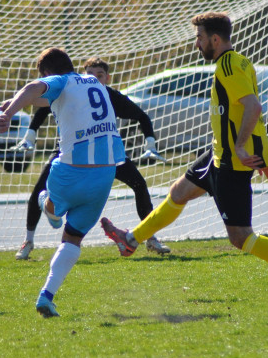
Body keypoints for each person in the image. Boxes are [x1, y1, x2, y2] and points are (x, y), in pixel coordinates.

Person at [100, 12, 268, 301]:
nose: (197, 43)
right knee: (179, 192)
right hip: (217, 154)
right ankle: (130, 240)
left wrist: (243, 148)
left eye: (199, 38)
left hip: (230, 162)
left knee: (240, 236)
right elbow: (251, 111)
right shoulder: (240, 61)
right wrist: (264, 156)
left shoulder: (228, 67)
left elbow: (253, 107)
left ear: (215, 39)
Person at [0, 47, 126, 317]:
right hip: (106, 172)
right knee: (72, 238)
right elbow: (46, 99)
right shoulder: (93, 82)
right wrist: (16, 102)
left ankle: (50, 207)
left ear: (47, 73)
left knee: (51, 205)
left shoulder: (58, 81)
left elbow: (35, 89)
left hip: (72, 168)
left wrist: (9, 114)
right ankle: (47, 295)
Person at [12, 56, 170, 260]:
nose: (95, 78)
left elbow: (141, 116)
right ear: (82, 76)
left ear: (107, 77)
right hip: (72, 153)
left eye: (100, 75)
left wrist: (150, 144)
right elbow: (44, 108)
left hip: (106, 156)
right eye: (90, 74)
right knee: (39, 189)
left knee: (139, 184)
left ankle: (150, 237)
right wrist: (30, 136)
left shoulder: (111, 95)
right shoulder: (70, 89)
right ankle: (29, 240)